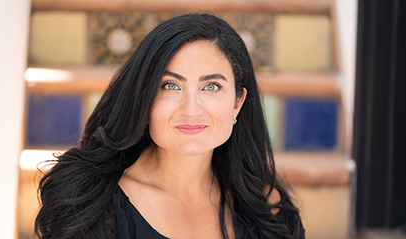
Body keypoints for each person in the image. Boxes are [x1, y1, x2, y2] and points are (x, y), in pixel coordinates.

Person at [35, 13, 305, 239]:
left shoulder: (271, 211)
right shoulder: (91, 206)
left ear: (237, 103)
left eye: (211, 87)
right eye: (170, 85)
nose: (191, 110)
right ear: (143, 96)